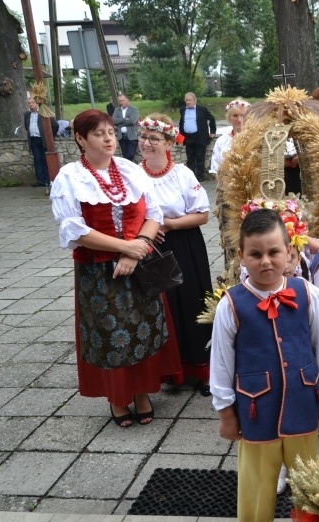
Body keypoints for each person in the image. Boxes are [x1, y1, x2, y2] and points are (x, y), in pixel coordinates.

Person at [50, 109, 181, 428]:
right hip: (100, 272)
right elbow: (74, 230)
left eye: (110, 132)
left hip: (141, 264)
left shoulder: (129, 170)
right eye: (99, 134)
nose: (109, 138)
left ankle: (141, 393)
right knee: (111, 334)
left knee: (144, 329)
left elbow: (154, 214)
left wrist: (138, 250)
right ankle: (118, 398)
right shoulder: (69, 177)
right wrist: (124, 248)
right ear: (80, 139)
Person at [211, 209, 319, 522]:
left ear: (289, 252)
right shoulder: (231, 304)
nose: (265, 261)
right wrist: (226, 412)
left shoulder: (308, 294)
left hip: (302, 402)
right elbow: (222, 363)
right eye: (255, 254)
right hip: (256, 407)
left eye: (274, 252)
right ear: (241, 256)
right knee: (258, 473)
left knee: (306, 472)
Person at [138, 114, 214, 395]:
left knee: (193, 304)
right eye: (144, 137)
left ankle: (201, 369)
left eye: (154, 138)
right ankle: (169, 370)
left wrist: (168, 224)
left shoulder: (182, 174)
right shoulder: (134, 175)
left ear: (169, 142)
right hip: (150, 248)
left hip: (184, 245)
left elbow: (202, 215)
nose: (147, 143)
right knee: (161, 308)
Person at [179, 92, 216, 182]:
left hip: (199, 136)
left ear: (195, 100)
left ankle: (200, 177)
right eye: (186, 100)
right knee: (190, 158)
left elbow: (212, 119)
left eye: (189, 100)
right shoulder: (183, 110)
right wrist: (180, 136)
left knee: (200, 157)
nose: (188, 102)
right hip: (188, 137)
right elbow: (181, 123)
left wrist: (213, 131)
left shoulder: (202, 109)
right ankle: (191, 177)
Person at [24, 96, 58, 188]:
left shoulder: (43, 113)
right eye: (29, 103)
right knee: (37, 160)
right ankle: (40, 180)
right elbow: (26, 126)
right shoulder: (27, 114)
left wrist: (50, 137)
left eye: (32, 103)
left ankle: (47, 180)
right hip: (33, 139)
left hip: (43, 140)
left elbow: (55, 125)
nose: (31, 105)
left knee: (45, 160)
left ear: (37, 103)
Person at [210, 99, 250, 177]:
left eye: (243, 115)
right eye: (235, 116)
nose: (239, 119)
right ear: (229, 117)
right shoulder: (222, 141)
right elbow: (216, 168)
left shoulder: (254, 139)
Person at [112, 94, 140, 161]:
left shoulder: (134, 109)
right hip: (121, 136)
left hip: (132, 135)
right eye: (120, 101)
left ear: (127, 100)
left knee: (130, 154)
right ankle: (126, 167)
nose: (121, 102)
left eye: (123, 100)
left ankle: (124, 164)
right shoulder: (117, 110)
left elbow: (132, 121)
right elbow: (113, 120)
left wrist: (120, 124)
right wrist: (125, 119)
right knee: (124, 155)